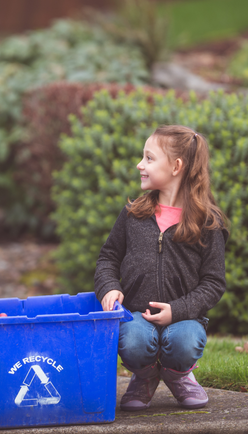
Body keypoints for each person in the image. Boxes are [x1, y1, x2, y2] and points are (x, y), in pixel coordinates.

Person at [94, 125, 228, 412]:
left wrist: (177, 311)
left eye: (149, 158)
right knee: (132, 342)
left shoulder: (207, 223)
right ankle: (145, 376)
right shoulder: (133, 214)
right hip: (136, 315)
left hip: (185, 317)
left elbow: (214, 283)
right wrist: (110, 287)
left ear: (177, 166)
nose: (140, 165)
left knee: (184, 342)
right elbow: (108, 258)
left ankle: (176, 375)